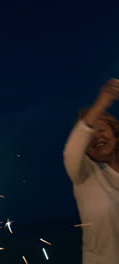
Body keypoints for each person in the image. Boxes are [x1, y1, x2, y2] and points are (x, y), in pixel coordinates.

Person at [64, 78, 119, 263]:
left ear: (115, 135)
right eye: (90, 134)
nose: (97, 137)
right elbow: (72, 149)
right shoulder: (83, 175)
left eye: (102, 130)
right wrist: (103, 102)